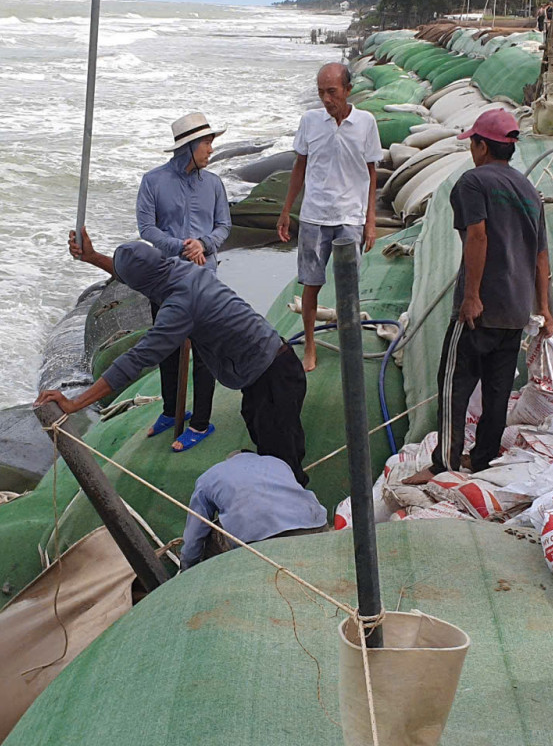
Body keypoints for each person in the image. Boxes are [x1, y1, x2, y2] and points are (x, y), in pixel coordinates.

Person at [36, 231, 312, 486]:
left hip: (272, 378)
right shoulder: (181, 270)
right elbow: (134, 277)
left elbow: (135, 359)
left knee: (282, 463)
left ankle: (297, 514)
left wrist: (75, 403)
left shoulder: (179, 307)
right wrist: (93, 257)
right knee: (264, 430)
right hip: (273, 366)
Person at [430, 108, 553, 476]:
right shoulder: (530, 191)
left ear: (482, 146)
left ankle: (446, 465)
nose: (471, 147)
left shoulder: (473, 183)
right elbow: (541, 255)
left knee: (454, 384)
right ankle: (483, 460)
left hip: (480, 310)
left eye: (473, 141)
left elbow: (478, 235)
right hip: (515, 312)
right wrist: (544, 309)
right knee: (497, 392)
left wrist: (471, 296)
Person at [276, 62, 382, 371]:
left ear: (348, 91)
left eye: (332, 92)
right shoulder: (310, 121)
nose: (326, 99)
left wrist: (370, 220)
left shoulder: (366, 123)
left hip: (350, 216)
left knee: (349, 285)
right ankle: (310, 344)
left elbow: (371, 172)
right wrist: (286, 210)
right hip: (314, 216)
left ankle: (350, 342)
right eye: (321, 92)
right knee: (311, 284)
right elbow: (300, 167)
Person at [135, 112, 231, 451]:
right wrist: (181, 247)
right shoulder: (152, 181)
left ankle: (201, 423)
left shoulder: (215, 184)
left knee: (205, 352)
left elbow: (223, 227)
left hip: (204, 280)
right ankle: (169, 410)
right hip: (164, 279)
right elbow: (147, 230)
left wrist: (203, 244)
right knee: (167, 348)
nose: (210, 149)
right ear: (188, 147)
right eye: (206, 143)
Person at [178, 452, 327, 567]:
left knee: (210, 534)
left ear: (229, 460)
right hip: (315, 525)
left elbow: (195, 533)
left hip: (256, 542)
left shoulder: (208, 477)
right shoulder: (276, 462)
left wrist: (187, 566)